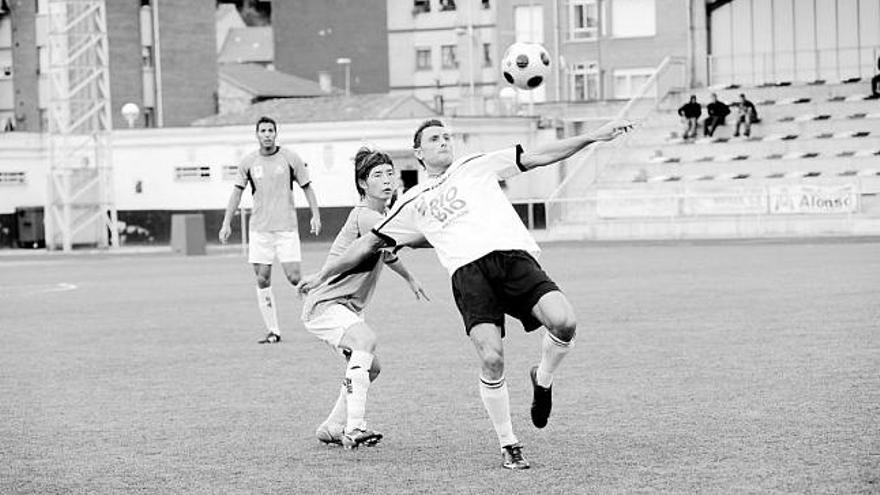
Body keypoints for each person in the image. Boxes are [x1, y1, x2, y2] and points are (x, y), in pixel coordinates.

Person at [298, 118, 632, 470]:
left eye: (446, 137)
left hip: (513, 258)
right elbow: (370, 242)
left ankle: (543, 378)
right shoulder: (411, 200)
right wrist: (323, 273)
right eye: (434, 138)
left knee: (564, 322)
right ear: (419, 152)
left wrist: (593, 136)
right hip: (469, 275)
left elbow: (536, 156)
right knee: (492, 358)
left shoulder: (475, 165)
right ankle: (509, 443)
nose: (443, 142)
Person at [304, 147, 429, 450]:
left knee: (371, 367)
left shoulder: (381, 218)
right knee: (365, 341)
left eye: (390, 173)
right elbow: (410, 237)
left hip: (343, 306)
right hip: (325, 305)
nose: (387, 180)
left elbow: (388, 253)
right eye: (378, 175)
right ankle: (354, 428)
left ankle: (332, 427)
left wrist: (410, 278)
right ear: (363, 183)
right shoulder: (365, 215)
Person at [219, 116, 321, 344]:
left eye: (270, 130)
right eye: (263, 130)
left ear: (276, 133)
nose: (267, 134)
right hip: (260, 230)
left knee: (295, 277)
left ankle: (322, 309)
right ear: (257, 134)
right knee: (262, 279)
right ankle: (273, 330)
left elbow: (307, 187)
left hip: (286, 227)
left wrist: (315, 215)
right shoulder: (248, 162)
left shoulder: (290, 158)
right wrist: (227, 222)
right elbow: (236, 193)